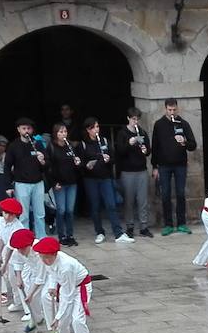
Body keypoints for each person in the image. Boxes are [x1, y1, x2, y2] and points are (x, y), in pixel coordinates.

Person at [34, 236, 95, 333]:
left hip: (80, 288)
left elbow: (67, 295)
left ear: (55, 255)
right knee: (63, 321)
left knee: (77, 321)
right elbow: (51, 274)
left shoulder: (66, 266)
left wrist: (57, 316)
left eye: (46, 257)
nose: (44, 260)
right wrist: (52, 286)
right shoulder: (48, 260)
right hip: (68, 286)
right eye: (41, 257)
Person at [151, 98, 197, 235]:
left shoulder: (183, 123)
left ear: (177, 109)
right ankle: (168, 224)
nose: (172, 112)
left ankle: (181, 223)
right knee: (165, 194)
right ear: (165, 109)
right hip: (164, 165)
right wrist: (154, 166)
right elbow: (155, 146)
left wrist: (184, 142)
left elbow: (193, 145)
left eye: (174, 110)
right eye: (169, 110)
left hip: (180, 165)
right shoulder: (159, 124)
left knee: (180, 193)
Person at [80, 117, 129, 244]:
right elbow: (81, 163)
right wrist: (88, 164)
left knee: (111, 204)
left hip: (105, 177)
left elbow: (113, 158)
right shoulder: (84, 144)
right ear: (88, 130)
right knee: (95, 206)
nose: (96, 130)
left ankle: (118, 233)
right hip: (91, 179)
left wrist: (109, 159)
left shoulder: (104, 141)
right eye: (93, 128)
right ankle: (99, 232)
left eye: (97, 127)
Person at [4, 117, 47, 237]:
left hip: (38, 183)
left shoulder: (37, 144)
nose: (26, 131)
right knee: (23, 215)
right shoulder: (13, 146)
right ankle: (25, 238)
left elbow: (47, 165)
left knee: (40, 213)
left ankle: (41, 237)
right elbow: (7, 166)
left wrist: (43, 160)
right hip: (21, 183)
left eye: (28, 128)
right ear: (18, 130)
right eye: (23, 128)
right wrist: (8, 185)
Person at [115, 107, 153, 238]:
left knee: (142, 200)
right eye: (133, 119)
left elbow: (148, 150)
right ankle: (130, 226)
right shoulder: (122, 133)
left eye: (137, 119)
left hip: (141, 170)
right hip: (128, 172)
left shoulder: (142, 132)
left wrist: (145, 150)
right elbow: (120, 151)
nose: (135, 122)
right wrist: (129, 144)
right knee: (129, 201)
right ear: (128, 119)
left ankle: (144, 226)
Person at [47, 124, 81, 246]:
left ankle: (70, 234)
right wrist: (53, 182)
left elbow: (76, 166)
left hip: (71, 182)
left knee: (70, 210)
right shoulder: (52, 147)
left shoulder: (70, 146)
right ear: (56, 133)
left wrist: (78, 163)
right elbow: (48, 167)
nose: (63, 134)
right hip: (59, 184)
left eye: (65, 131)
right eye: (60, 132)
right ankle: (61, 235)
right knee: (61, 210)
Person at [0, 197, 24, 310]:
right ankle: (18, 303)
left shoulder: (17, 227)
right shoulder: (2, 222)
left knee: (18, 280)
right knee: (11, 281)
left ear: (15, 215)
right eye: (5, 213)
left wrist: (4, 264)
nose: (7, 216)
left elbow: (11, 248)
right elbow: (2, 238)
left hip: (17, 256)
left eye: (11, 215)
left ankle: (25, 305)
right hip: (6, 253)